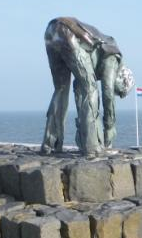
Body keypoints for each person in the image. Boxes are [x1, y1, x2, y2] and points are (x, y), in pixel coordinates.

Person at [41, 17, 134, 156]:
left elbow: (79, 87)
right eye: (119, 91)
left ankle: (51, 144)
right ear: (122, 79)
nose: (115, 93)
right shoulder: (114, 58)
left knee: (61, 89)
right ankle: (92, 147)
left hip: (51, 31)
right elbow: (107, 91)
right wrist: (110, 126)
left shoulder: (99, 58)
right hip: (69, 32)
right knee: (90, 89)